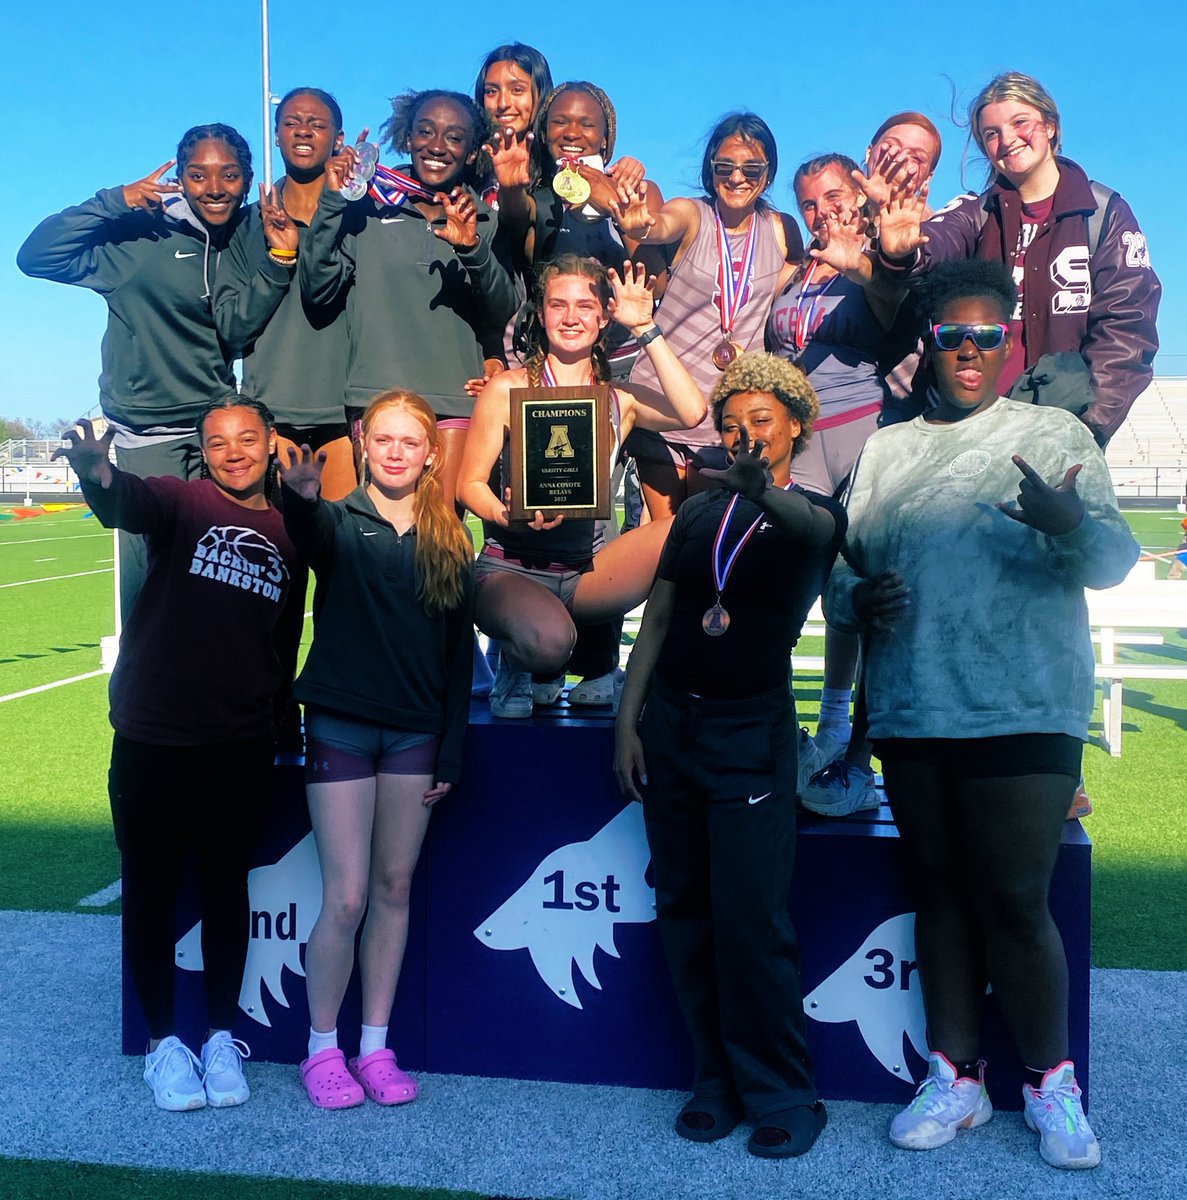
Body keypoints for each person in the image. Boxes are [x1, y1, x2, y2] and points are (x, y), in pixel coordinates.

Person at [824, 260, 1138, 1170]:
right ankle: (955, 1077)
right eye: (952, 336)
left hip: (1025, 704)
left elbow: (1113, 560)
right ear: (928, 342)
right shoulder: (885, 449)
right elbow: (844, 574)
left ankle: (1051, 1084)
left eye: (986, 338)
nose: (968, 352)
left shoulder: (1053, 430)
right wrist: (857, 597)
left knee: (1012, 897)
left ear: (1010, 342)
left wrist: (1065, 521)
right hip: (917, 706)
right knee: (940, 896)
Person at [614, 352, 844, 1157]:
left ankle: (784, 1093)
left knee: (751, 922)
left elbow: (815, 534)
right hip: (674, 725)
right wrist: (628, 720)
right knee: (685, 910)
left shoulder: (810, 511)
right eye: (732, 420)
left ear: (795, 427)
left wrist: (756, 490)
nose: (744, 433)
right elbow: (662, 616)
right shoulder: (695, 512)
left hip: (750, 734)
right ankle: (714, 1079)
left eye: (762, 420)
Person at [52, 397, 306, 1111]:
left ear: (270, 443)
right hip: (155, 736)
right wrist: (99, 474)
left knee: (229, 891)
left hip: (240, 743)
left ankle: (222, 1036)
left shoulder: (293, 529)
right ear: (203, 452)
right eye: (219, 442)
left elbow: (281, 642)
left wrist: (279, 718)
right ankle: (164, 1044)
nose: (233, 452)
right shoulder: (183, 504)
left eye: (247, 439)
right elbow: (125, 501)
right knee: (153, 890)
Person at [279, 390, 475, 1110]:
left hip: (416, 735)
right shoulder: (334, 521)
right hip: (341, 725)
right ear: (362, 445)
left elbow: (459, 661)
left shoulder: (450, 532)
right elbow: (304, 531)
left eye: (408, 441)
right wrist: (299, 498)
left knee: (394, 891)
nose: (395, 451)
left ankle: (373, 1047)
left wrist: (449, 752)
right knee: (349, 895)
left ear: (430, 452)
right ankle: (320, 1049)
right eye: (383, 439)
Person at [19, 124, 255, 621]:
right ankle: (140, 700)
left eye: (229, 174)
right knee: (153, 598)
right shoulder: (140, 236)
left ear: (247, 180)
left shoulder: (245, 240)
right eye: (198, 174)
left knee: (229, 592)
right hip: (151, 441)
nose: (214, 187)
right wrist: (113, 201)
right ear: (182, 179)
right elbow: (35, 257)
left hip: (220, 438)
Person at [457, 255, 705, 718]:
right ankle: (516, 658)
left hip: (585, 571)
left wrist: (646, 329)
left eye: (584, 306)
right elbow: (469, 483)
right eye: (558, 305)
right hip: (512, 566)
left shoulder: (619, 397)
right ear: (541, 314)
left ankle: (652, 671)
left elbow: (692, 413)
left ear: (603, 317)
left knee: (687, 525)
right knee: (552, 646)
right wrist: (502, 512)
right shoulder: (507, 388)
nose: (571, 317)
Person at [875, 71, 1160, 448]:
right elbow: (934, 246)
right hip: (967, 424)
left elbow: (1127, 329)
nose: (1007, 139)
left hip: (1057, 426)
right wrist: (901, 251)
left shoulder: (1103, 212)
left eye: (1019, 122)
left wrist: (1087, 429)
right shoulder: (976, 214)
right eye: (991, 133)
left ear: (1051, 127)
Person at [299, 88, 519, 511]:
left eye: (454, 137)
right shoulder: (367, 206)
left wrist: (472, 248)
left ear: (473, 153)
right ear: (407, 137)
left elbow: (502, 310)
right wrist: (331, 199)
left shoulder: (486, 218)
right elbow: (318, 287)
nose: (437, 146)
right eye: (426, 132)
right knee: (375, 541)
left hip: (455, 400)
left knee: (441, 543)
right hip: (377, 397)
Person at [765, 154, 904, 814]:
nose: (821, 212)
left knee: (849, 591)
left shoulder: (875, 257)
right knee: (788, 583)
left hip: (863, 432)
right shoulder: (795, 272)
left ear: (857, 194)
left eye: (832, 196)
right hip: (801, 440)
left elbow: (894, 307)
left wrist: (861, 262)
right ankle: (780, 727)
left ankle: (840, 731)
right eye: (809, 203)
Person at [616, 113, 804, 520]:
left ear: (768, 174)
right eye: (726, 167)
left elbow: (805, 286)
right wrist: (641, 227)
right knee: (666, 533)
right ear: (711, 169)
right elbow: (661, 224)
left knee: (707, 529)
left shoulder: (781, 230)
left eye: (752, 168)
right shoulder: (692, 214)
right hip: (664, 401)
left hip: (727, 417)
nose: (738, 177)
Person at [215, 88, 358, 500]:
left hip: (345, 417)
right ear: (276, 135)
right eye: (292, 122)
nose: (303, 132)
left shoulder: (362, 216)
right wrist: (279, 258)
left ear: (339, 139)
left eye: (317, 124)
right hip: (274, 414)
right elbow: (232, 328)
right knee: (281, 558)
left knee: (342, 555)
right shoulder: (247, 224)